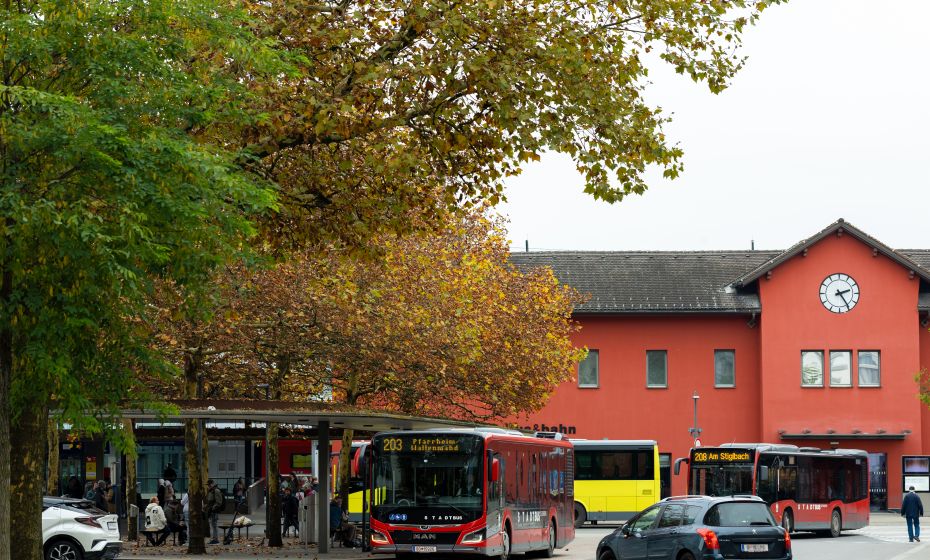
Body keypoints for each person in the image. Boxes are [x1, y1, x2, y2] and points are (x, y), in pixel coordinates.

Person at [205, 479, 223, 544]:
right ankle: (214, 538)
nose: (208, 486)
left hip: (214, 511)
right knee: (213, 525)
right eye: (208, 485)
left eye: (209, 485)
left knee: (214, 525)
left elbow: (219, 502)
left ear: (212, 484)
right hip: (211, 510)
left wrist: (213, 508)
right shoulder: (211, 491)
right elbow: (209, 501)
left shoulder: (216, 491)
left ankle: (215, 539)